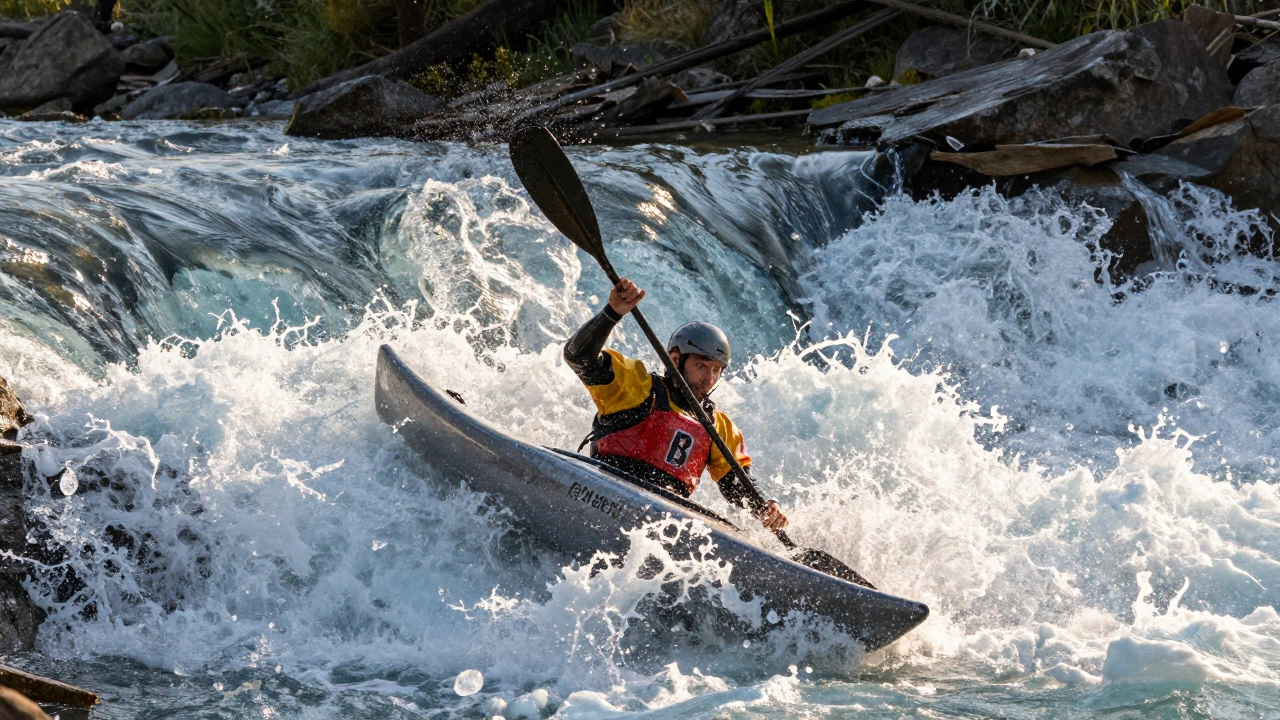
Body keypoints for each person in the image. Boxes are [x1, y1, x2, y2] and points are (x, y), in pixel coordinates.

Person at [564, 278, 788, 531]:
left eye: (717, 369)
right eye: (701, 366)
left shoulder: (719, 427)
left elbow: (735, 484)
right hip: (605, 495)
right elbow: (578, 356)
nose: (709, 378)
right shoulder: (638, 387)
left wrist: (764, 507)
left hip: (660, 524)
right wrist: (612, 312)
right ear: (675, 359)